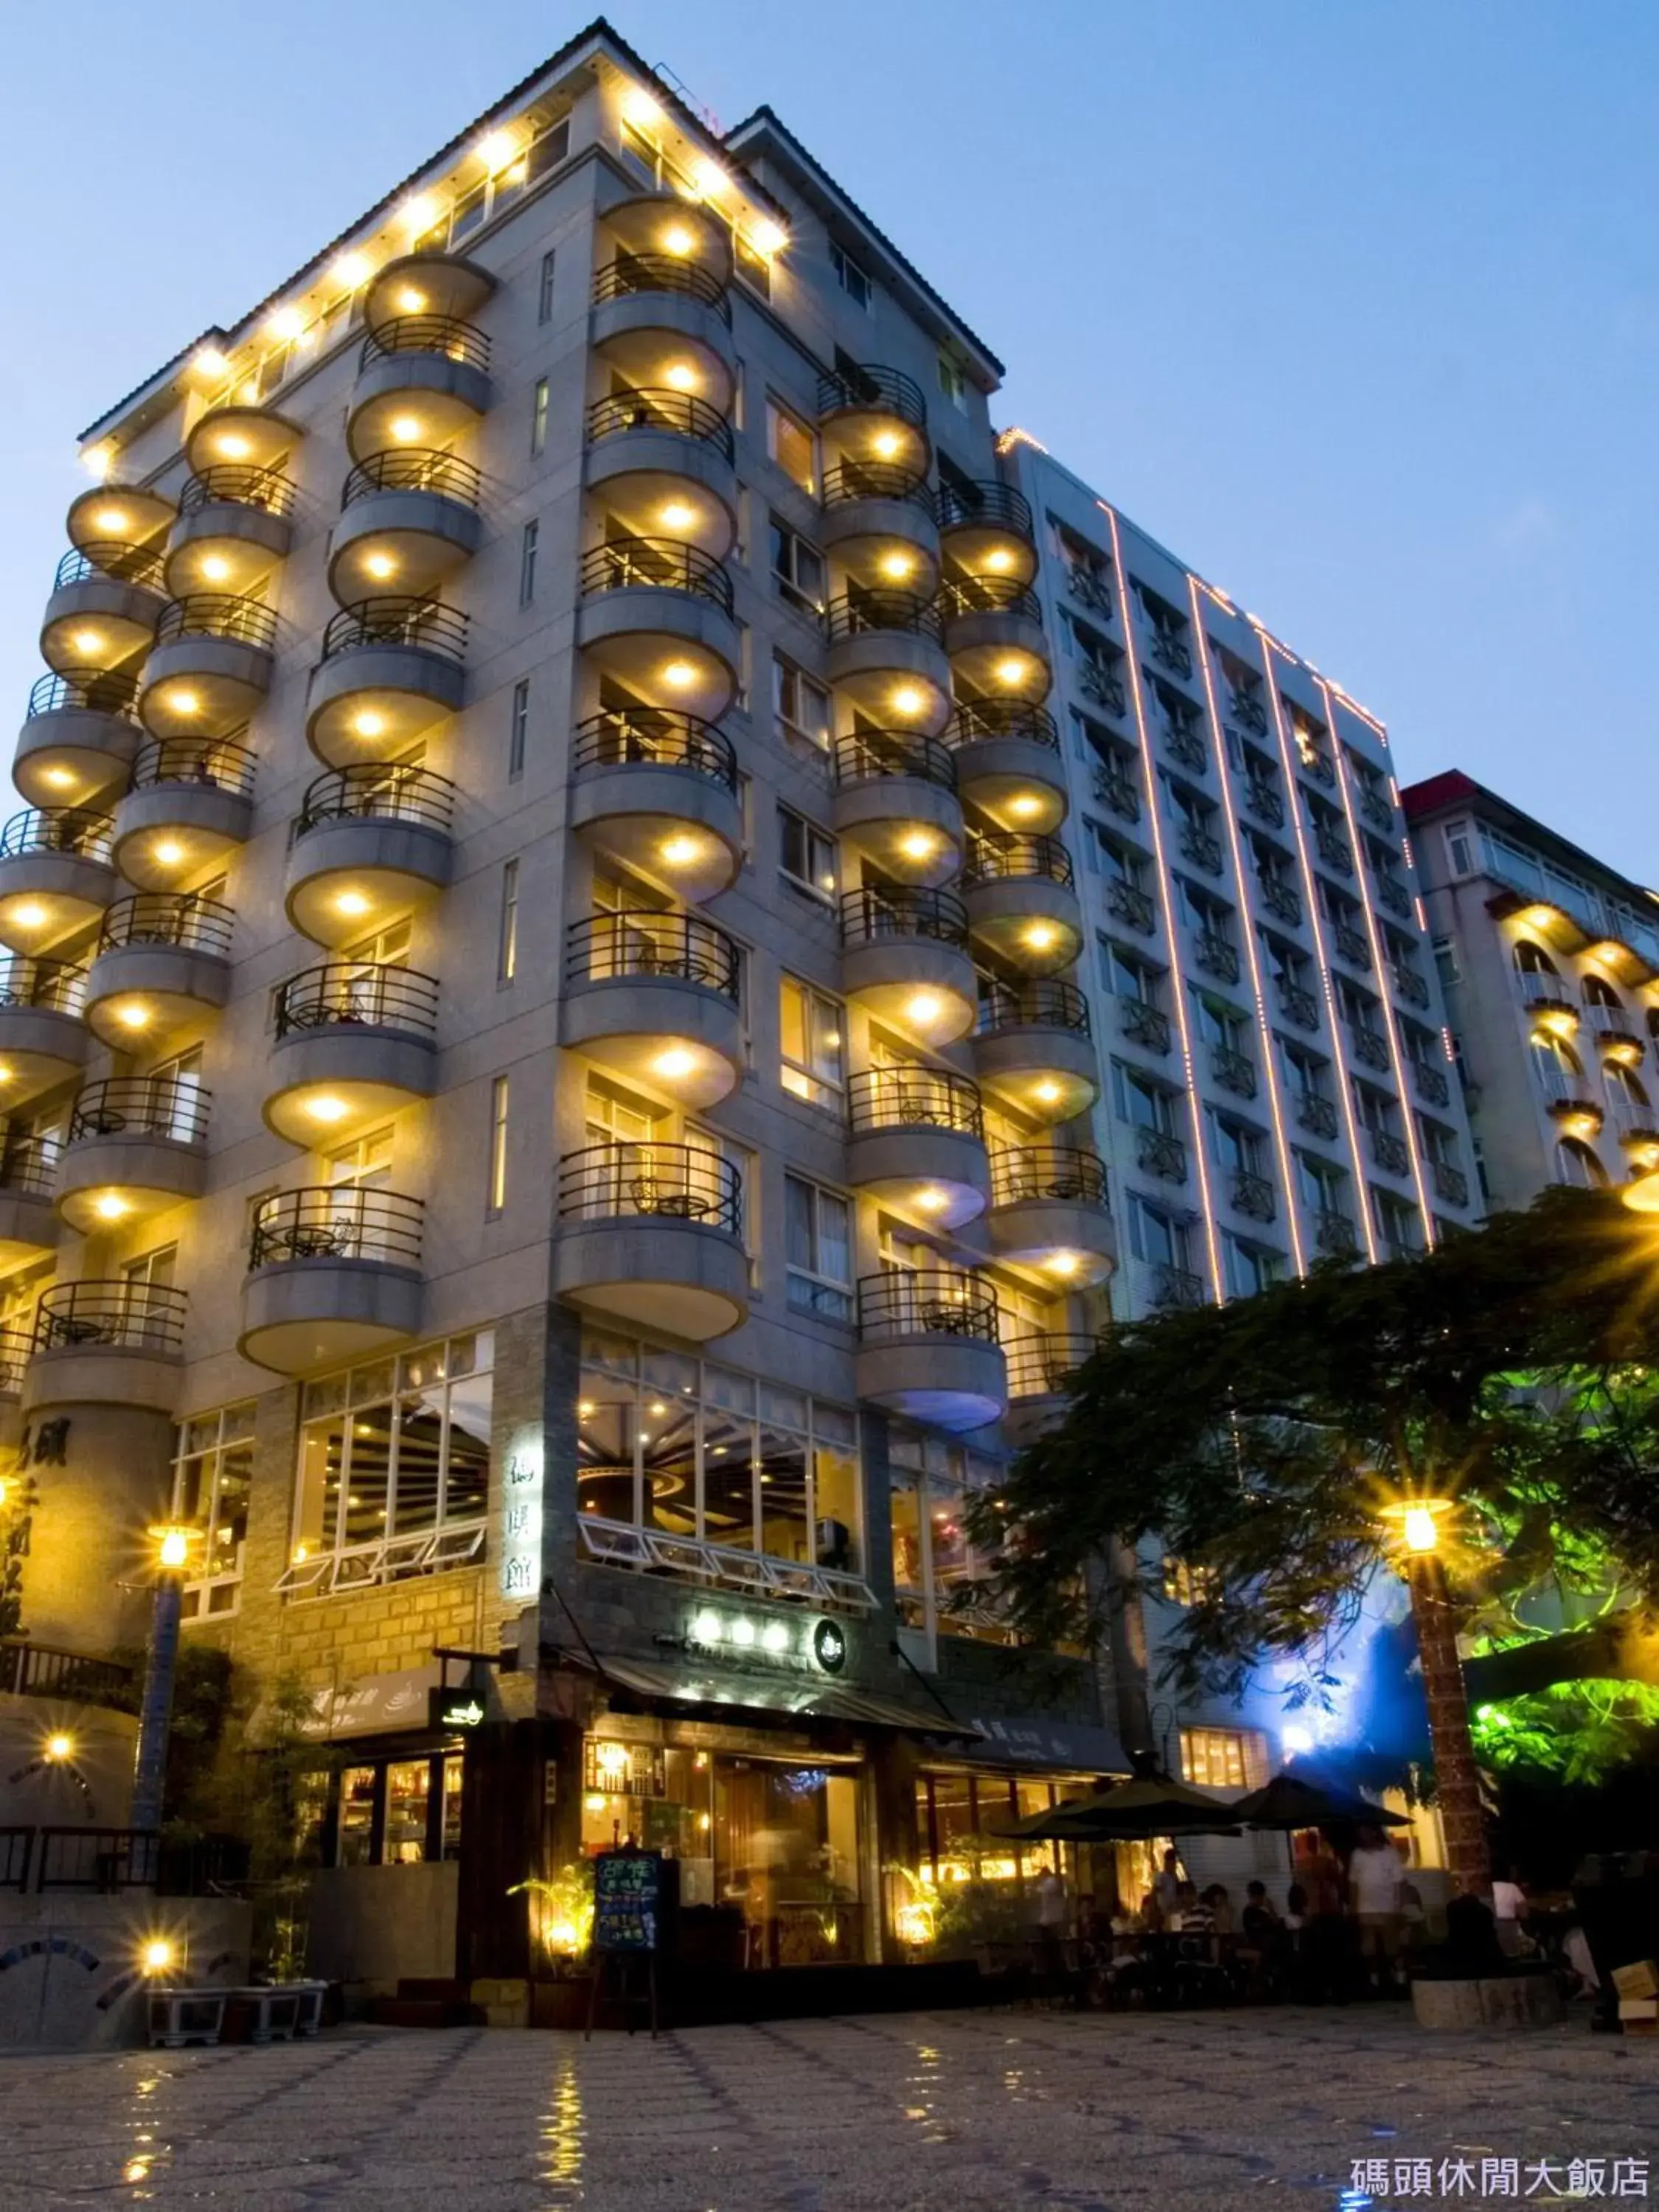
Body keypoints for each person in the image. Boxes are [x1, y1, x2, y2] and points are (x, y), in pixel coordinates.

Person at [1349, 1826, 1407, 1992]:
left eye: (1366, 1832)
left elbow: (1398, 1882)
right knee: (1369, 1947)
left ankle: (1399, 1978)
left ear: (1374, 1832)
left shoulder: (1390, 1854)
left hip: (1387, 1905)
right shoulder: (1357, 1855)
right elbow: (1353, 1881)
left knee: (1391, 1946)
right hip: (1365, 1906)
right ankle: (1374, 1981)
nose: (1363, 1836)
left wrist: (1399, 1905)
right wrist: (1354, 1906)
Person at [1153, 1848, 1183, 1922]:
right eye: (1173, 1863)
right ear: (1167, 1862)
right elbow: (1157, 1894)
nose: (1174, 1865)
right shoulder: (1160, 1877)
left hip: (1173, 1911)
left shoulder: (1174, 1878)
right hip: (1163, 1913)